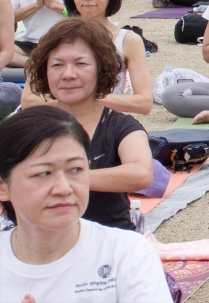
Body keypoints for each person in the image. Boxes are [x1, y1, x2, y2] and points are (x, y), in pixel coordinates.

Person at [0, 106, 173, 303]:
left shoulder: (127, 253)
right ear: (3, 187)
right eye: (43, 173)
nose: (64, 188)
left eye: (75, 169)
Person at [22, 19, 154, 230]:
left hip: (109, 240)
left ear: (101, 70)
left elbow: (141, 174)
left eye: (81, 64)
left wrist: (64, 178)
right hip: (42, 242)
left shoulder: (121, 127)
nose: (68, 74)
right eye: (57, 65)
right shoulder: (28, 127)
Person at [18, 0, 151, 116]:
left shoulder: (128, 40)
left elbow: (144, 102)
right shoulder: (55, 36)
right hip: (59, 124)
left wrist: (84, 98)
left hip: (105, 126)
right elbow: (27, 100)